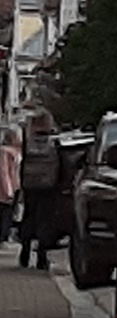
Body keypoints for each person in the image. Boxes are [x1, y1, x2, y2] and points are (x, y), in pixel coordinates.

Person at [18, 110, 61, 270]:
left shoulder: (27, 141)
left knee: (29, 217)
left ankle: (24, 253)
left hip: (30, 184)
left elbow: (21, 163)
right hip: (48, 185)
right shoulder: (54, 142)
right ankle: (41, 259)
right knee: (45, 221)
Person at [0, 126, 19, 254]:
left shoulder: (12, 152)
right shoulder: (6, 152)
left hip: (11, 188)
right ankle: (2, 239)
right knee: (6, 215)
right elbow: (4, 171)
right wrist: (9, 190)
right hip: (6, 190)